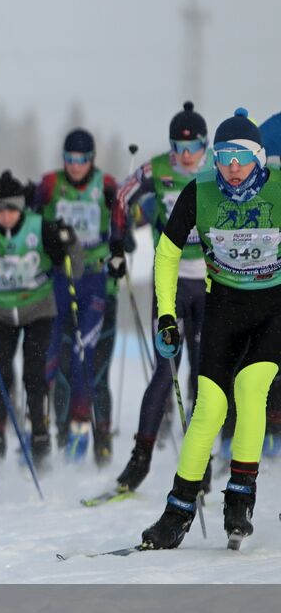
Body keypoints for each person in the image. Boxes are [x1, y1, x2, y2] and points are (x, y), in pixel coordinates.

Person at [142, 109, 278, 549]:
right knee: (209, 408)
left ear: (259, 158)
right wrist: (166, 315)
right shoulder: (199, 192)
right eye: (224, 157)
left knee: (252, 386)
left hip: (273, 305)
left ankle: (240, 498)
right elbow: (165, 255)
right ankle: (177, 512)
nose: (233, 167)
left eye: (241, 157)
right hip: (225, 303)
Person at [110, 102, 212, 497]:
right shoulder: (158, 170)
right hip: (167, 284)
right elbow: (122, 197)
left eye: (193, 149)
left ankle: (200, 463)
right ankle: (141, 458)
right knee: (164, 370)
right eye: (178, 149)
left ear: (205, 145)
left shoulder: (218, 169)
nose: (185, 157)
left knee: (204, 374)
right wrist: (117, 246)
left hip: (210, 284)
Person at [0, 171, 78, 470]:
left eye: (11, 209)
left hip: (38, 310)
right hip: (0, 312)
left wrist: (65, 242)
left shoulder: (39, 228)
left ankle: (40, 438)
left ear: (21, 207)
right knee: (0, 374)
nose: (5, 216)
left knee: (34, 374)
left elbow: (66, 262)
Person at [36, 128, 121, 464]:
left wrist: (121, 246)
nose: (75, 166)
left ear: (92, 160)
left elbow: (123, 220)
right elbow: (31, 220)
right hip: (60, 280)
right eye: (70, 159)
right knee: (60, 366)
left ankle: (101, 439)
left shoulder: (107, 184)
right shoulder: (50, 184)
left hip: (97, 281)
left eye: (82, 160)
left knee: (94, 367)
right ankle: (60, 435)